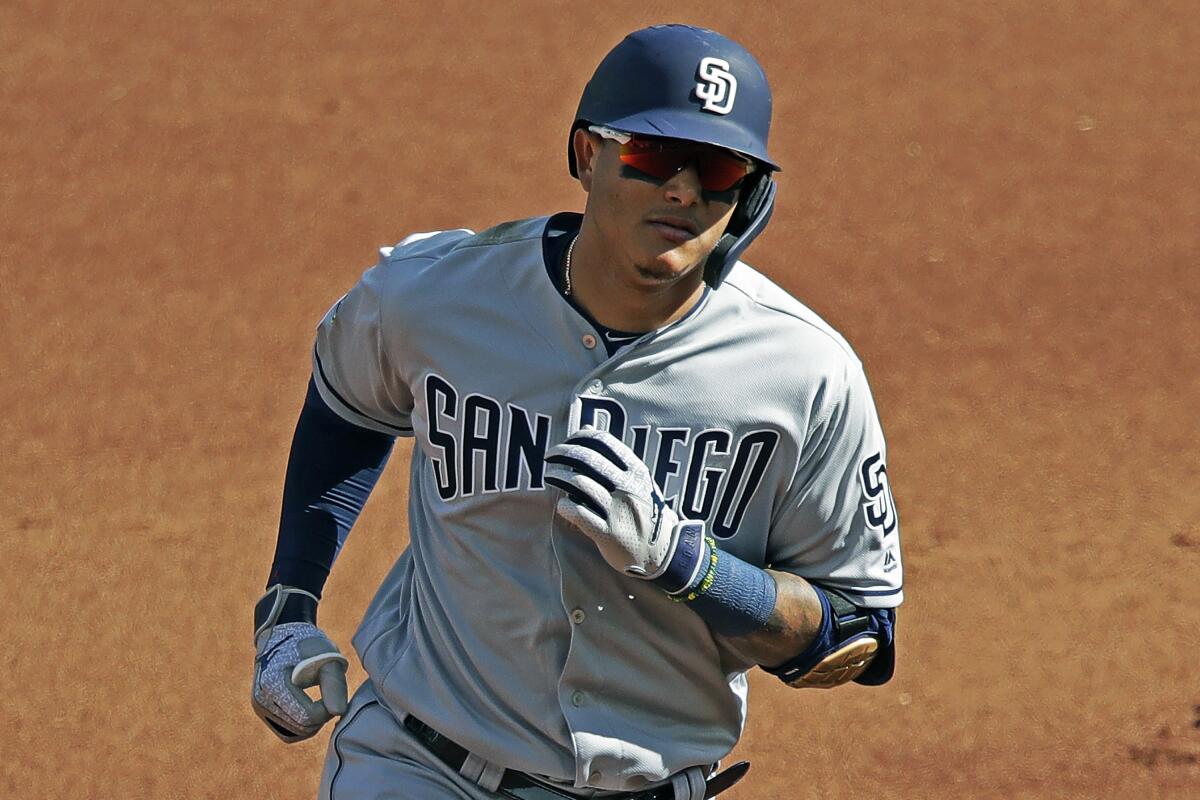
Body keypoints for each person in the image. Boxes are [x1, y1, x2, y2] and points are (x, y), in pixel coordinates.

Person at [251, 23, 904, 800]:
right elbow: (346, 406)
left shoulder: (805, 375)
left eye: (722, 167)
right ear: (588, 154)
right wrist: (289, 604)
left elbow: (855, 632)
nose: (686, 191)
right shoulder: (435, 297)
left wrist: (695, 569)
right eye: (656, 156)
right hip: (417, 766)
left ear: (749, 191)